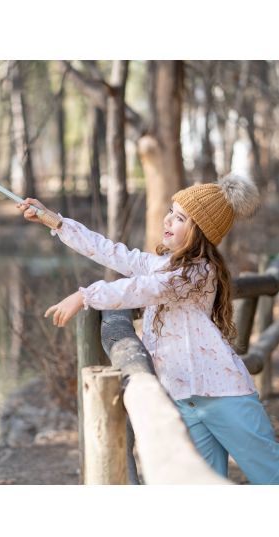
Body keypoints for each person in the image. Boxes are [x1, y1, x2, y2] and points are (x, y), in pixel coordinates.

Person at [17, 173, 279, 484]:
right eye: (171, 210)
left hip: (225, 397)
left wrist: (85, 295)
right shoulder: (164, 264)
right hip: (183, 399)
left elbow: (143, 289)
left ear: (200, 232)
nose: (168, 219)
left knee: (269, 475)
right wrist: (57, 223)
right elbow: (110, 252)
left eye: (180, 217)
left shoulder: (196, 272)